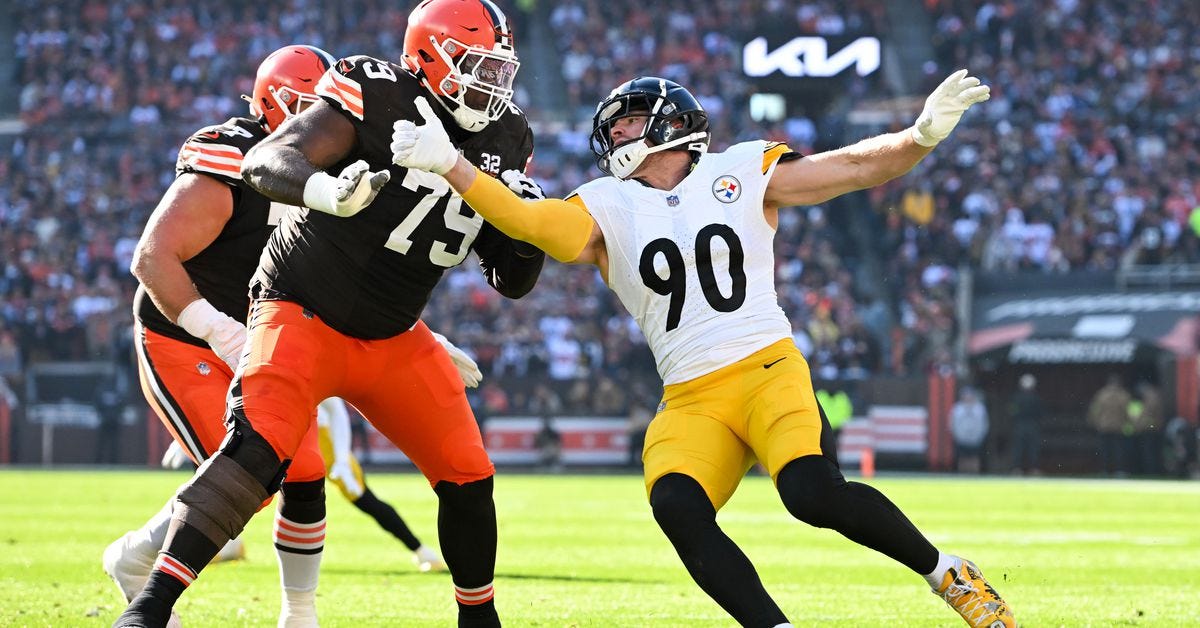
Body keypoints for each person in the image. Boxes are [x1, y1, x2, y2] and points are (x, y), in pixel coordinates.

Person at [394, 71, 1015, 626]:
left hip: (767, 366)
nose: (617, 131)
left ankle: (946, 573)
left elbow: (851, 168)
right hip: (691, 394)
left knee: (811, 494)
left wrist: (920, 136)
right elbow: (536, 228)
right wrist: (453, 166)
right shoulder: (605, 202)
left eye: (631, 119)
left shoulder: (740, 169)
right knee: (677, 505)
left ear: (671, 122)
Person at [114, 2, 542, 626]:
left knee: (468, 471)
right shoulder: (375, 90)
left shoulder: (508, 137)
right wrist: (324, 190)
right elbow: (267, 161)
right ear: (429, 56)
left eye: (499, 70)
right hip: (303, 310)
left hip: (394, 332)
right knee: (259, 452)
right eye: (476, 65)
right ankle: (150, 607)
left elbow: (513, 280)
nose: (490, 84)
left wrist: (521, 224)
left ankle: (479, 617)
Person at [104, 45, 340, 628]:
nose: (334, 126)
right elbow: (153, 259)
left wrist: (418, 335)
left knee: (306, 469)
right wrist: (217, 330)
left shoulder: (336, 174)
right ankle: (136, 562)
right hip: (184, 338)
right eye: (320, 108)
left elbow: (349, 276)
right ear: (282, 104)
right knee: (250, 475)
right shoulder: (232, 157)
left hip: (264, 337)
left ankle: (299, 614)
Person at [316, 396, 446, 572]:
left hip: (319, 436)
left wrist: (342, 460)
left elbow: (336, 409)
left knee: (364, 499)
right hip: (291, 432)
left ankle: (420, 550)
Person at [1088, 374, 1131, 476]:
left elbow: (1094, 410)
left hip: (1104, 426)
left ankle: (1105, 470)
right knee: (1119, 450)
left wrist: (1095, 422)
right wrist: (1129, 424)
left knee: (1105, 451)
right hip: (1119, 426)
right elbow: (1128, 412)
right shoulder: (1123, 395)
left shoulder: (1101, 394)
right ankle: (1119, 470)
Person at [1008, 374, 1043, 475]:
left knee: (1019, 448)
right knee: (1032, 448)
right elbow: (1041, 413)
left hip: (1019, 425)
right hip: (1032, 425)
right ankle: (1034, 469)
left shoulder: (1016, 397)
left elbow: (1011, 412)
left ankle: (1016, 469)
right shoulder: (1036, 398)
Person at [950, 386, 989, 474]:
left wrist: (980, 436)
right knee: (962, 458)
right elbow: (952, 424)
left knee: (974, 458)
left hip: (975, 439)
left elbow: (984, 424)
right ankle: (962, 475)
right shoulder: (957, 409)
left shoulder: (980, 409)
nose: (968, 398)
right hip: (961, 439)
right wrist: (957, 436)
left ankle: (974, 475)